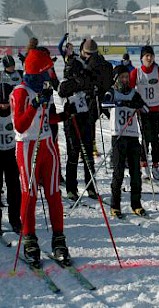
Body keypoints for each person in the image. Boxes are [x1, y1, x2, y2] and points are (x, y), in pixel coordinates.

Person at [10, 48, 74, 266]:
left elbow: (46, 119)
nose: (49, 74)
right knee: (30, 194)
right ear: (36, 71)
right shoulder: (21, 92)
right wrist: (35, 103)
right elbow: (20, 124)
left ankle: (59, 239)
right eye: (46, 70)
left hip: (48, 144)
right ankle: (29, 238)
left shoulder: (43, 87)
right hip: (28, 146)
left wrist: (64, 116)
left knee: (54, 193)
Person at [58, 38, 101, 201]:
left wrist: (95, 90)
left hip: (86, 115)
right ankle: (71, 188)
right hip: (72, 117)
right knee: (73, 153)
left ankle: (91, 186)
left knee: (88, 153)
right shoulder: (73, 64)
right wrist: (76, 83)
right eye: (88, 54)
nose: (90, 57)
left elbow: (97, 83)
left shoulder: (93, 66)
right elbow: (62, 89)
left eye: (93, 54)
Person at [102, 65, 147, 218]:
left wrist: (137, 105)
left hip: (133, 135)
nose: (125, 79)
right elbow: (104, 104)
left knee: (136, 172)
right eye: (122, 77)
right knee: (118, 172)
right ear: (116, 78)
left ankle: (136, 204)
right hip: (118, 135)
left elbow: (145, 108)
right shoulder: (112, 91)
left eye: (127, 77)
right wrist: (119, 103)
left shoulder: (133, 92)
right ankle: (115, 205)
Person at [130, 45, 159, 181]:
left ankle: (155, 166)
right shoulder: (137, 72)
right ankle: (144, 165)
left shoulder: (158, 71)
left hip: (156, 109)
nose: (149, 58)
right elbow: (129, 89)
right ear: (141, 58)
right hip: (143, 110)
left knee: (155, 138)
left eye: (151, 56)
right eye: (146, 56)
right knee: (146, 137)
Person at [0, 82, 21, 233]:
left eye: (6, 103)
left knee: (14, 187)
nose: (4, 106)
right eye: (1, 104)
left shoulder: (15, 111)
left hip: (12, 153)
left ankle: (15, 219)